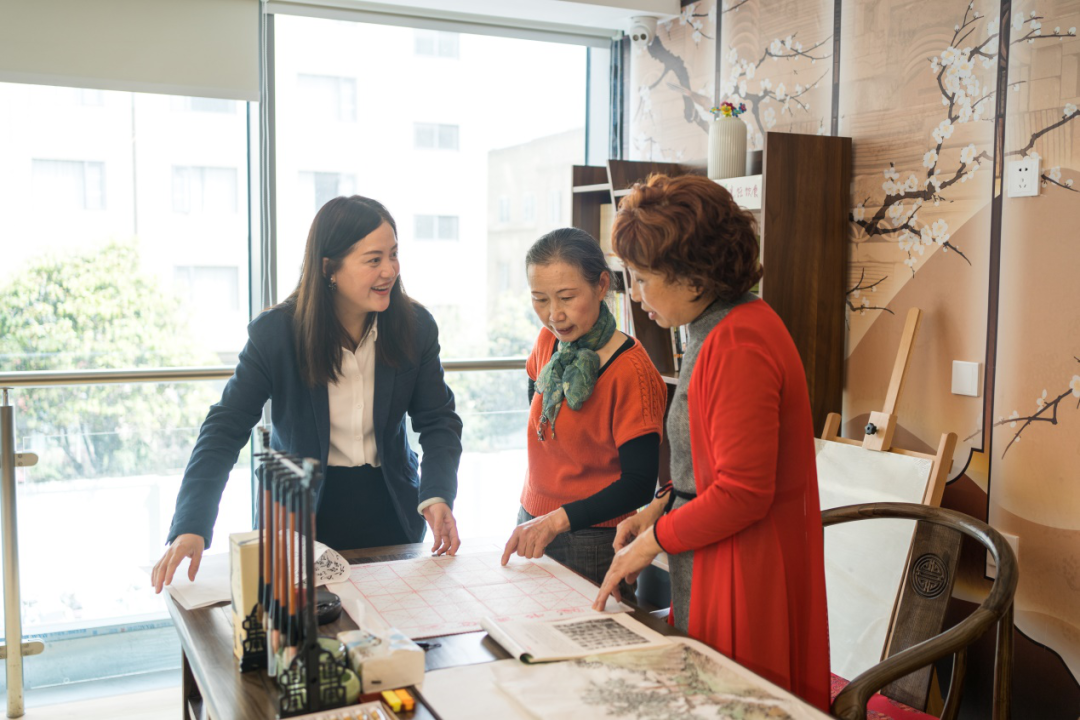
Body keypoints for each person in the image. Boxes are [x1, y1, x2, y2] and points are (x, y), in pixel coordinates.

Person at [592, 175, 831, 711]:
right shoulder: (719, 326)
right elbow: (707, 465)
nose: (635, 294)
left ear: (694, 278)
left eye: (642, 278)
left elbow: (742, 492)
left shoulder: (738, 340)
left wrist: (651, 544)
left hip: (744, 564)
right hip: (718, 552)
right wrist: (659, 509)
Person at [152, 196, 463, 593]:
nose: (390, 270)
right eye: (373, 260)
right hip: (299, 515)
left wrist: (436, 493)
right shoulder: (277, 334)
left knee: (393, 621)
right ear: (329, 268)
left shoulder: (415, 327)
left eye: (393, 254)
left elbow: (438, 420)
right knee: (305, 627)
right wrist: (191, 525)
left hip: (391, 506)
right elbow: (224, 429)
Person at [501, 228, 667, 597]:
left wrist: (556, 520)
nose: (554, 315)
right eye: (539, 299)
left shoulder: (632, 372)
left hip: (594, 537)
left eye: (566, 297)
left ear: (601, 285)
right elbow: (538, 400)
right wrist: (542, 517)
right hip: (532, 517)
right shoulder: (549, 341)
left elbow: (639, 484)